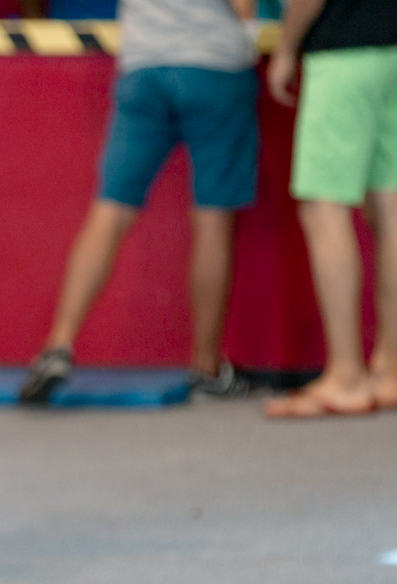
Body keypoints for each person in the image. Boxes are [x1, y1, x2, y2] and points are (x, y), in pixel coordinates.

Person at [17, 0, 259, 404]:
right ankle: (206, 368)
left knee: (110, 210)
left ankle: (58, 346)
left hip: (143, 66)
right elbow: (243, 6)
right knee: (212, 218)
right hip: (214, 66)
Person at [265, 0, 397, 417]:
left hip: (344, 54)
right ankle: (391, 369)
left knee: (324, 209)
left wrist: (287, 48)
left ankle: (346, 377)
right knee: (391, 208)